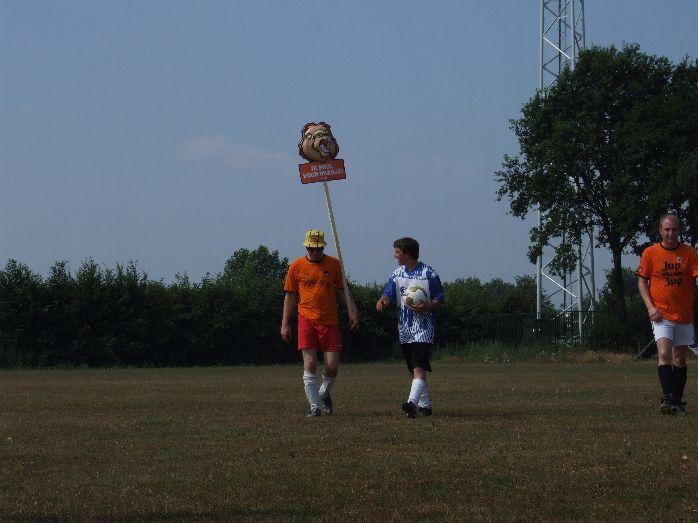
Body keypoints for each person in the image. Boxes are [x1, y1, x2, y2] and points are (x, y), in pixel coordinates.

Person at [281, 229, 359, 417]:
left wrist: (353, 310)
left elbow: (343, 290)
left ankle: (323, 393)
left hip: (330, 321)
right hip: (306, 319)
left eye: (318, 249)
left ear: (323, 248)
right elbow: (290, 296)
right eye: (311, 248)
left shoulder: (334, 264)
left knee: (332, 366)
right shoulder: (296, 266)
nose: (315, 252)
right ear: (306, 247)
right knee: (310, 363)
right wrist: (285, 323)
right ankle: (314, 407)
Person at [376, 237, 444, 418]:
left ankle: (411, 403)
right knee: (413, 369)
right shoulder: (397, 274)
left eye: (397, 252)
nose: (394, 256)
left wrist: (428, 306)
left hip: (424, 327)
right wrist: (383, 301)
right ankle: (425, 406)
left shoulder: (429, 273)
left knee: (419, 366)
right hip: (404, 327)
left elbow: (439, 297)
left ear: (407, 254)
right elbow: (388, 293)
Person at [637, 213, 698, 415]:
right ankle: (669, 399)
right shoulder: (650, 253)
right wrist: (650, 307)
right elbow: (642, 282)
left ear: (678, 230)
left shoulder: (690, 253)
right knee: (664, 354)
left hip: (684, 314)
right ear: (660, 231)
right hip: (661, 315)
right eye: (667, 229)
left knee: (680, 359)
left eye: (674, 229)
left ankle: (677, 401)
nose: (670, 233)